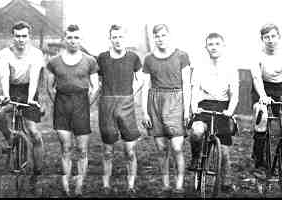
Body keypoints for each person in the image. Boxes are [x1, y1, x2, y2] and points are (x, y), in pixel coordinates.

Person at [46, 24, 100, 197]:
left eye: (76, 37)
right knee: (66, 147)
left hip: (81, 104)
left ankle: (79, 185)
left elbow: (96, 87)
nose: (73, 41)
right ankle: (66, 184)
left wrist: (86, 105)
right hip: (62, 104)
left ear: (80, 39)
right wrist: (59, 104)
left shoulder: (90, 61)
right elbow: (49, 87)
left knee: (82, 149)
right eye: (69, 37)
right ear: (64, 39)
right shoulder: (54, 61)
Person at [141, 24, 191, 193]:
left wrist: (186, 109)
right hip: (155, 102)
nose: (160, 39)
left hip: (176, 101)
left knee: (177, 147)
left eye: (163, 35)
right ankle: (165, 184)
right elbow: (145, 86)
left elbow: (187, 85)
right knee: (161, 149)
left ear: (169, 36)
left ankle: (179, 184)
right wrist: (144, 111)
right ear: (153, 38)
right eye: (157, 36)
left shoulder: (181, 55)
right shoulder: (148, 59)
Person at [189, 32, 239, 192]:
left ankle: (226, 181)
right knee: (196, 132)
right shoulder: (200, 67)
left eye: (217, 44)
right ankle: (196, 157)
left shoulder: (231, 68)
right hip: (204, 106)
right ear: (206, 47)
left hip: (223, 108)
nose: (214, 47)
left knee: (224, 150)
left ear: (223, 46)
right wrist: (194, 107)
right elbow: (194, 90)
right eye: (211, 44)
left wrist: (230, 111)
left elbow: (235, 94)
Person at [97, 25, 143, 195]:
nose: (117, 40)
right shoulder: (102, 58)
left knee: (129, 150)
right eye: (114, 37)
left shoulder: (133, 57)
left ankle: (130, 186)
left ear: (126, 38)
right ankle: (105, 185)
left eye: (120, 37)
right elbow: (98, 82)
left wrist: (130, 92)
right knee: (108, 150)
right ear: (110, 38)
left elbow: (141, 80)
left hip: (126, 105)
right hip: (107, 105)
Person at [0, 21, 44, 175]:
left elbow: (35, 77)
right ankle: (11, 138)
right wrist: (6, 96)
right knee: (1, 115)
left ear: (29, 37)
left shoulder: (36, 54)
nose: (21, 39)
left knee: (33, 132)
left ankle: (38, 170)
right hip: (12, 89)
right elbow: (4, 75)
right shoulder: (4, 53)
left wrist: (30, 99)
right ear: (13, 37)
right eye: (17, 36)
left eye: (24, 36)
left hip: (29, 90)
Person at [250, 23, 282, 170]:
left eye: (273, 36)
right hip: (262, 88)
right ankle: (259, 161)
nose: (270, 40)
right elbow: (256, 79)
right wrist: (263, 96)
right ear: (262, 39)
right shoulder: (257, 55)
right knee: (262, 117)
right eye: (266, 37)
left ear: (279, 37)